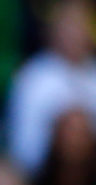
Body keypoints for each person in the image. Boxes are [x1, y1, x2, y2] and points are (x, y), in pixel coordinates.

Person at [8, 0, 96, 175]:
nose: (74, 33)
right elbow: (24, 148)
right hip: (42, 177)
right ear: (53, 30)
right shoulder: (32, 76)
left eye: (80, 24)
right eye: (68, 25)